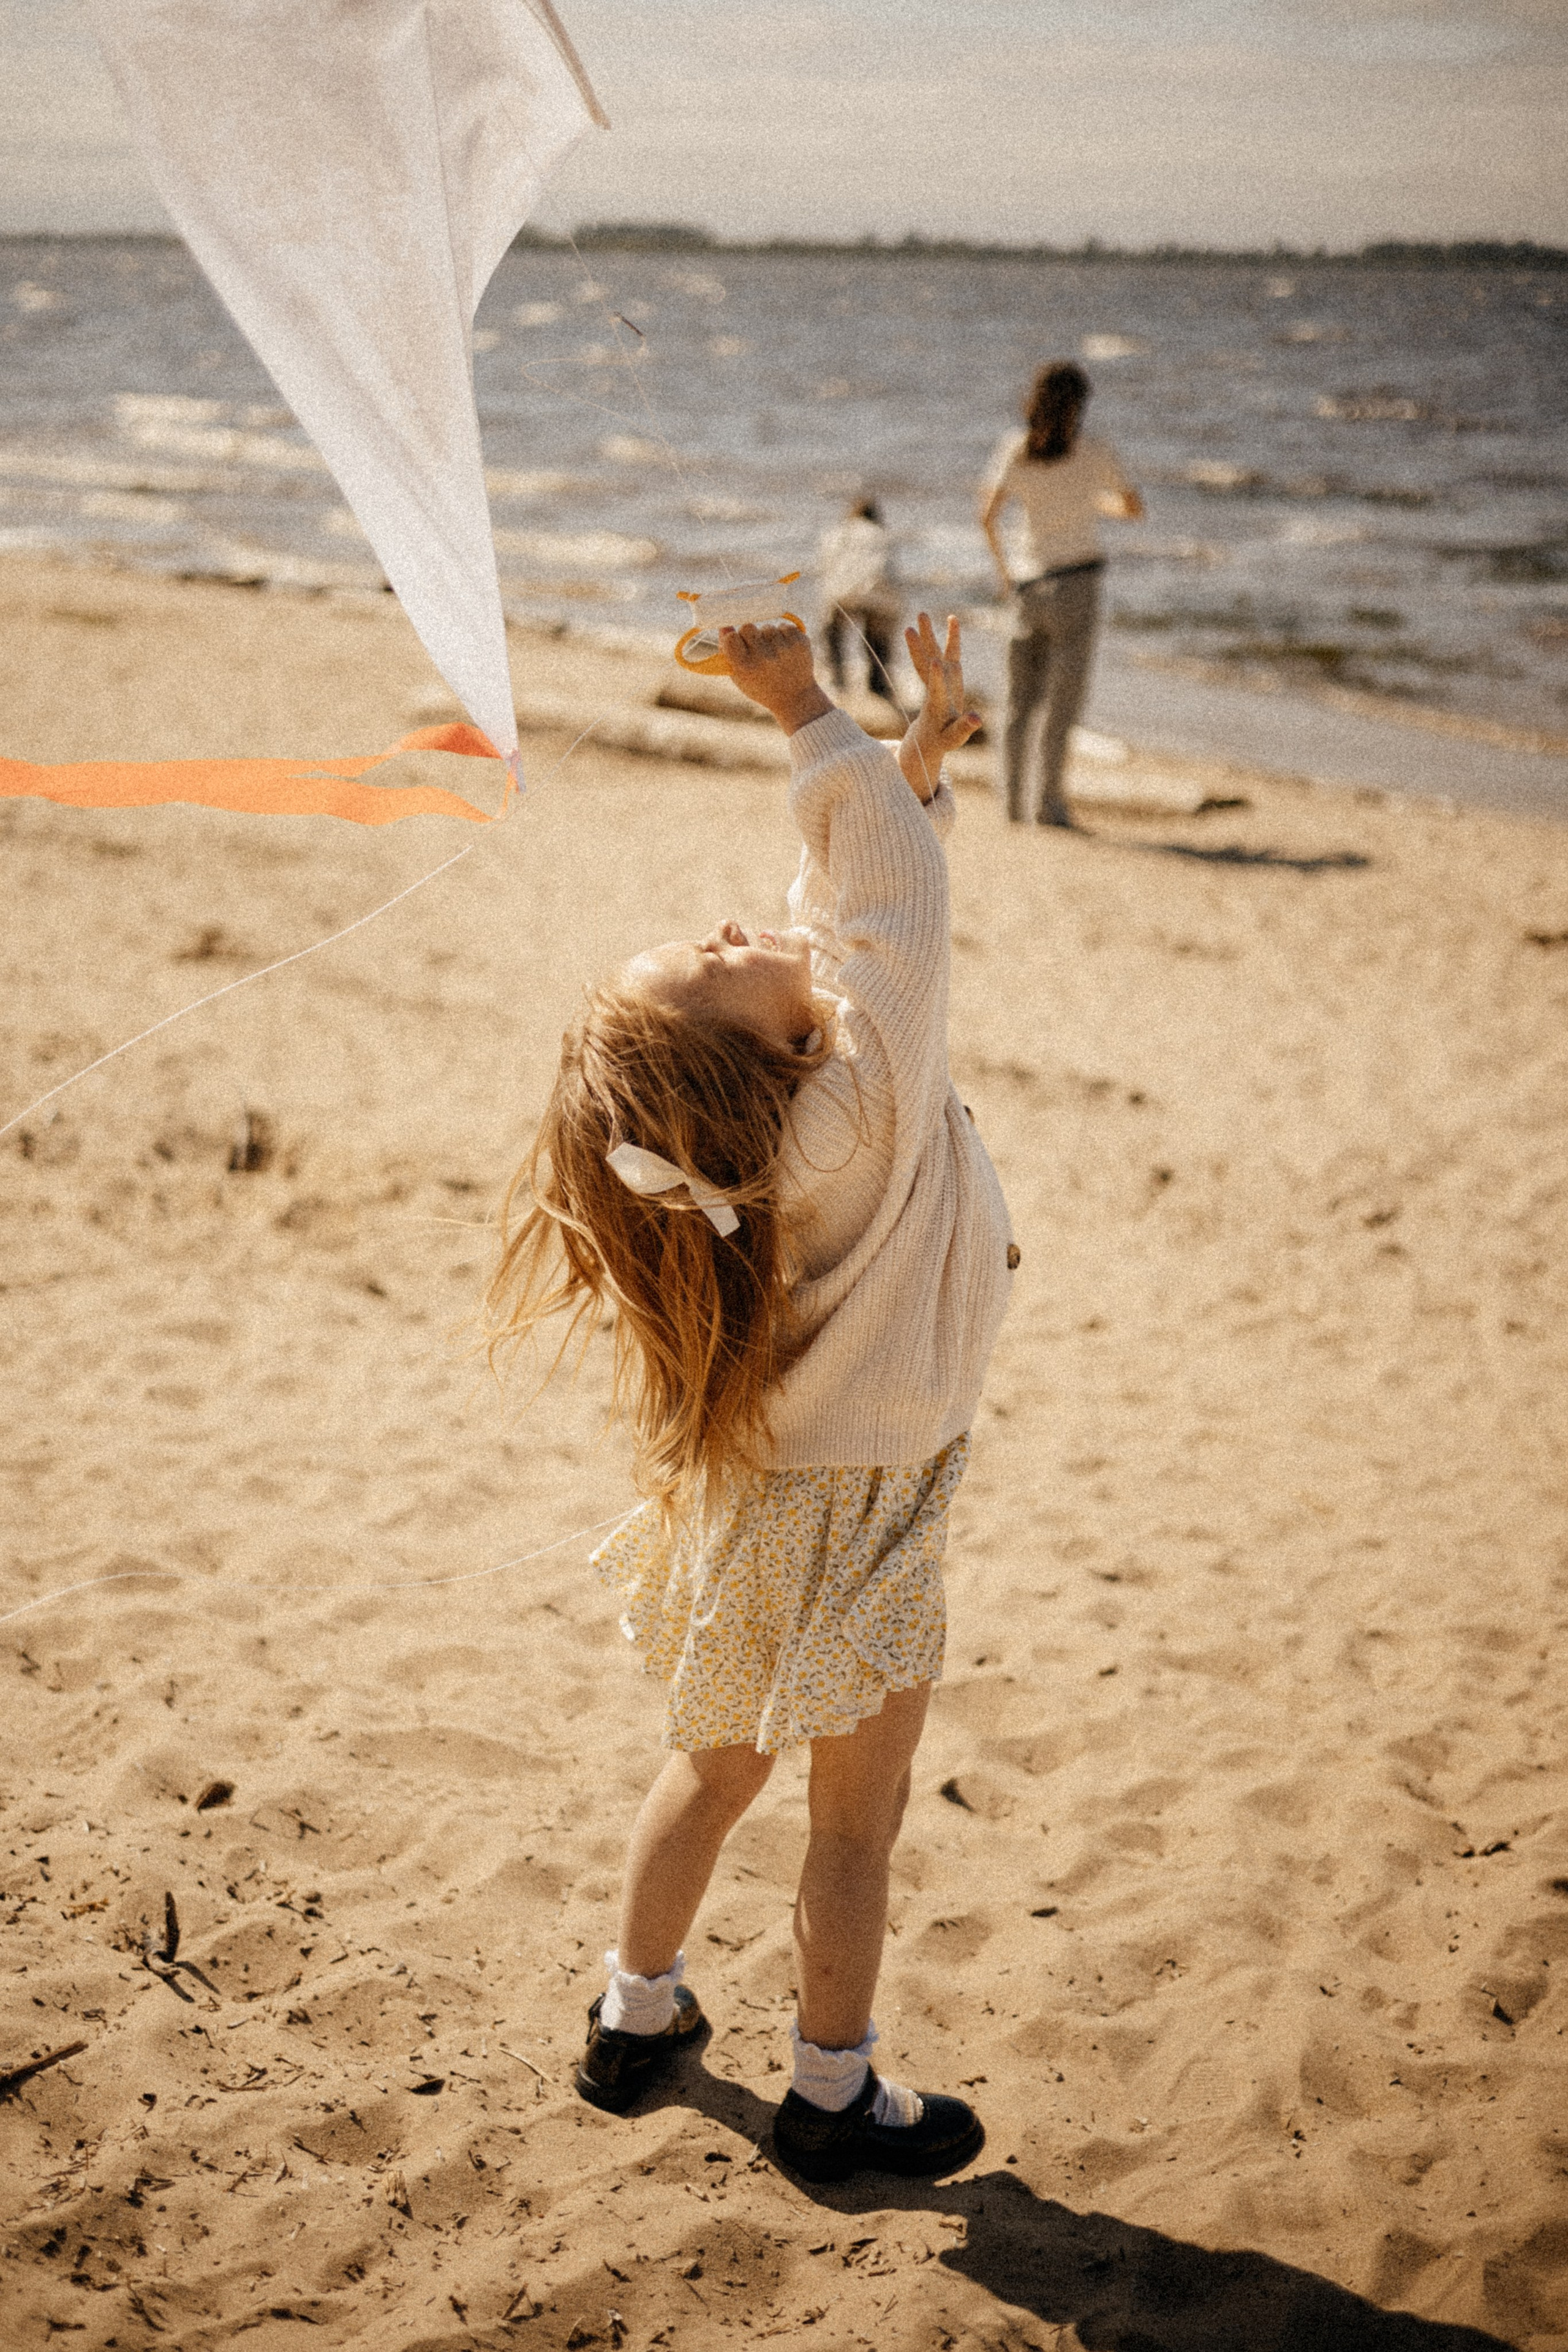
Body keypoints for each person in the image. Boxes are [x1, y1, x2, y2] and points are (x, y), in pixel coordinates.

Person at [486, 613, 1017, 2183]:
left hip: (774, 1493)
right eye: (711, 964)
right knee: (853, 1818)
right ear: (755, 1062)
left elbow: (844, 925)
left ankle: (633, 2011)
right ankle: (832, 2093)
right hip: (868, 1499)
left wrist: (898, 763)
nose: (732, 927)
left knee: (712, 1763)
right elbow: (890, 912)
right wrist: (802, 711)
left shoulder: (791, 1123)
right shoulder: (856, 1097)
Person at [978, 361, 1143, 827]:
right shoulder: (1095, 452)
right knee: (1061, 703)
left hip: (1028, 582)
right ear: (1081, 406)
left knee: (1016, 701)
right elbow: (1132, 508)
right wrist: (1095, 502)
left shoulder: (1016, 448)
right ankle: (1048, 804)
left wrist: (1003, 572)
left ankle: (1011, 804)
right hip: (1077, 581)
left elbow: (987, 515)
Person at [818, 494, 901, 704]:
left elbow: (826, 567)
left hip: (843, 589)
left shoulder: (836, 533)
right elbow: (891, 572)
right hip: (878, 591)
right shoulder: (883, 535)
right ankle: (878, 685)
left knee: (833, 633)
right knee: (877, 639)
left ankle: (837, 681)